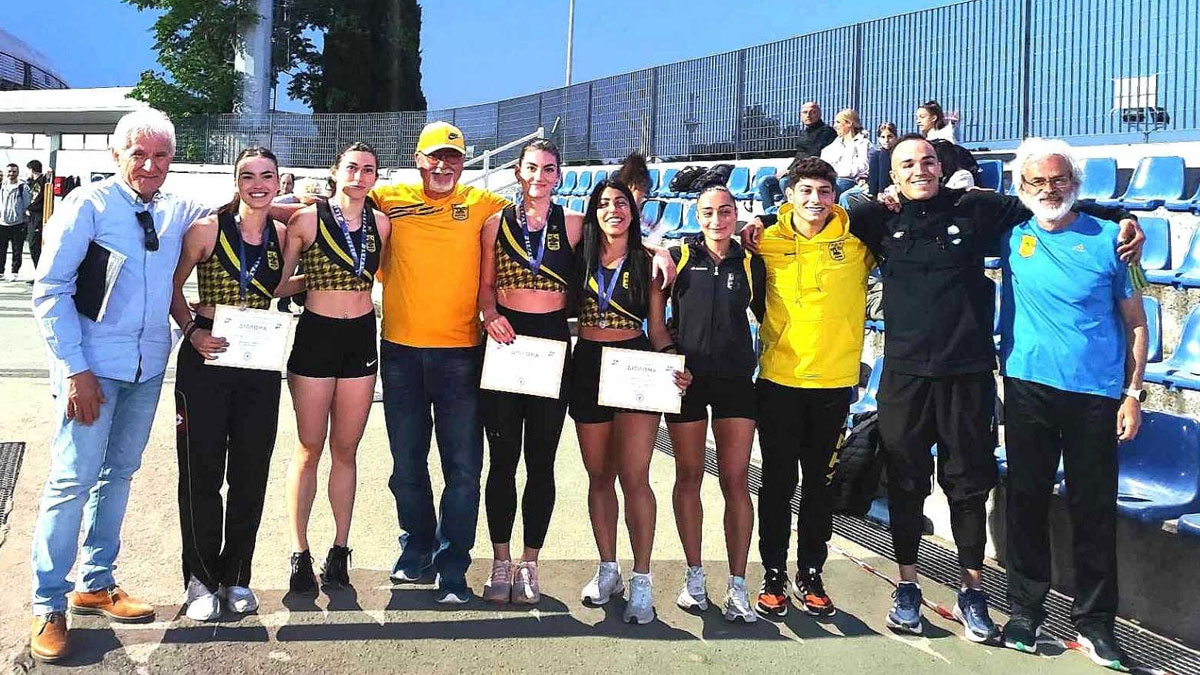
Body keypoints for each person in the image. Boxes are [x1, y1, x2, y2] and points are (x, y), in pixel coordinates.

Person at [742, 133, 1142, 643]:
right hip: (902, 376)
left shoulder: (975, 208)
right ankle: (906, 586)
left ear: (940, 165)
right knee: (905, 483)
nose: (920, 170)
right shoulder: (873, 218)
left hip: (967, 375)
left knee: (968, 487)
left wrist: (1122, 216)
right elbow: (808, 218)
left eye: (928, 161)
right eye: (908, 164)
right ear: (892, 175)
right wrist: (758, 222)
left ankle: (972, 592)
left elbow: (1048, 201)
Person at [28, 109, 210, 663]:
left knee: (119, 474)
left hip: (147, 368)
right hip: (93, 369)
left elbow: (244, 205)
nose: (150, 165)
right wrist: (75, 370)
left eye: (161, 155)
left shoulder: (176, 208)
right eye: (139, 154)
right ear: (116, 155)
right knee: (71, 481)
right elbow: (51, 290)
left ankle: (96, 580)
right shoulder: (88, 206)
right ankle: (48, 603)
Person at [997, 138, 1148, 668]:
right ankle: (1024, 612)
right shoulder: (1011, 235)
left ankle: (1095, 624)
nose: (1049, 189)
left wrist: (1133, 394)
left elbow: (1137, 324)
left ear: (1075, 184)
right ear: (1021, 187)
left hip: (1095, 394)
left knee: (1094, 509)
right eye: (1037, 181)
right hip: (1027, 387)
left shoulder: (1115, 241)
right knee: (1025, 502)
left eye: (1059, 179)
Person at [370, 122, 511, 604]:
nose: (444, 165)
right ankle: (417, 545)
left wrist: (651, 246)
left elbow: (549, 220)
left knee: (463, 468)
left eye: (453, 157)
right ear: (418, 159)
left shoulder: (483, 203)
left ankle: (454, 564)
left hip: (461, 355)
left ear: (464, 163)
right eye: (435, 156)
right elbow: (330, 208)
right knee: (407, 464)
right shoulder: (388, 197)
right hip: (400, 353)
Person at [749, 158, 874, 619]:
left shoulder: (858, 240)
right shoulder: (765, 239)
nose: (815, 200)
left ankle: (811, 572)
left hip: (834, 386)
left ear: (834, 195)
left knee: (819, 488)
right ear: (789, 195)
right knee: (777, 485)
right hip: (779, 382)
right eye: (805, 190)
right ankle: (773, 573)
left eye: (824, 191)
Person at [168, 147, 287, 621]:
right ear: (235, 182)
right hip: (208, 356)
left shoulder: (280, 234)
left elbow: (270, 287)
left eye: (266, 176)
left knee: (250, 472)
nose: (258, 185)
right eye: (248, 176)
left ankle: (237, 575)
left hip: (258, 359)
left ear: (278, 181)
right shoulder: (207, 229)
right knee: (201, 472)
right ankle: (200, 579)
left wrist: (323, 285)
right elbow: (173, 288)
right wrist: (192, 331)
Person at [571, 178, 689, 625]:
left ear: (633, 212)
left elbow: (657, 328)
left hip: (634, 364)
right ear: (594, 212)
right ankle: (608, 570)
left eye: (621, 202)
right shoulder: (581, 256)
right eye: (603, 203)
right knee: (599, 476)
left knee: (635, 477)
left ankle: (642, 579)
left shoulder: (646, 262)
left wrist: (671, 361)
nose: (613, 210)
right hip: (587, 363)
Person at [278, 141, 390, 596]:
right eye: (352, 168)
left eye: (368, 170)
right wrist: (318, 279)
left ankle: (340, 548)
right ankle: (299, 551)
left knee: (346, 448)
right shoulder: (306, 219)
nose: (359, 177)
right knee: (309, 447)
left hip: (360, 337)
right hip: (316, 335)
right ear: (335, 171)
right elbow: (279, 284)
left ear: (376, 178)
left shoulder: (381, 223)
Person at [477, 138, 583, 604]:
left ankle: (530, 563)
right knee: (502, 459)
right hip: (506, 339)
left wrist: (660, 252)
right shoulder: (495, 224)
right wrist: (489, 314)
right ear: (518, 172)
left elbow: (625, 240)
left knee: (541, 460)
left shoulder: (573, 223)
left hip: (552, 342)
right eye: (532, 168)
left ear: (559, 175)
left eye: (549, 169)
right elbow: (485, 286)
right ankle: (500, 560)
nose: (540, 177)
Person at [664, 185, 764, 623]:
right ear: (696, 215)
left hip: (736, 383)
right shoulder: (679, 257)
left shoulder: (752, 262)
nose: (717, 220)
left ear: (736, 213)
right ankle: (694, 575)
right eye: (708, 212)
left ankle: (738, 584)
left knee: (735, 481)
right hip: (686, 382)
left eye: (725, 211)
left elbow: (770, 315)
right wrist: (670, 354)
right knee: (688, 476)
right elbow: (655, 314)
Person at [755, 102, 838, 209]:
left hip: (812, 173)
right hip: (797, 171)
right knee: (764, 182)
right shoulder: (804, 133)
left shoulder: (827, 131)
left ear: (819, 114)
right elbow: (799, 156)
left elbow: (814, 155)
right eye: (805, 112)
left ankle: (793, 211)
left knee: (785, 181)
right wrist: (787, 170)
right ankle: (770, 212)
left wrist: (791, 171)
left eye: (812, 112)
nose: (808, 115)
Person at [820, 108, 872, 198]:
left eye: (838, 122)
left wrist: (837, 171)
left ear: (849, 123)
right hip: (832, 179)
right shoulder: (834, 145)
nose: (835, 126)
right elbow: (824, 162)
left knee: (838, 184)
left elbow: (863, 166)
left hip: (851, 181)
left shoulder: (863, 143)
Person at [1, 162, 31, 281]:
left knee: (17, 249)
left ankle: (14, 272)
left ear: (18, 173)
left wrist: (22, 217)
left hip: (18, 223)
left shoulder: (23, 187)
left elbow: (27, 204)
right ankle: (0, 271)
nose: (11, 174)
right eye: (9, 171)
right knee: (1, 249)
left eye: (14, 171)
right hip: (2, 223)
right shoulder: (2, 185)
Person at [26, 159, 47, 272]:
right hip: (33, 216)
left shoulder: (40, 182)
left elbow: (37, 198)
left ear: (31, 170)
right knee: (33, 244)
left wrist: (29, 208)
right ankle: (38, 270)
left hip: (37, 216)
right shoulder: (33, 182)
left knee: (34, 244)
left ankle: (39, 271)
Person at [866, 122, 898, 198]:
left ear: (896, 137)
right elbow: (872, 177)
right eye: (883, 137)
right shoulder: (876, 155)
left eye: (890, 136)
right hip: (877, 192)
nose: (886, 140)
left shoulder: (899, 153)